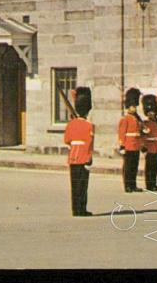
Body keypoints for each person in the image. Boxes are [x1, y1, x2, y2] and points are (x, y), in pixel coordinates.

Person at [63, 86, 94, 216]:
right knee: (82, 185)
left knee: (74, 185)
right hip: (83, 157)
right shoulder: (89, 125)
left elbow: (67, 140)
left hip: (72, 157)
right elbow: (89, 143)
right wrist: (89, 159)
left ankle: (75, 209)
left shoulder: (70, 124)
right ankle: (82, 209)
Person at [118, 87, 143, 193]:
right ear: (128, 107)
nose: (134, 108)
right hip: (128, 145)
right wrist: (122, 145)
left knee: (134, 166)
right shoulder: (125, 118)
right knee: (128, 167)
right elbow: (121, 133)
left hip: (136, 144)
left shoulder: (136, 118)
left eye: (135, 106)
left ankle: (133, 184)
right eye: (132, 106)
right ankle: (127, 185)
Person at [141, 94, 157, 191]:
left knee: (155, 167)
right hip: (149, 147)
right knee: (149, 167)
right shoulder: (145, 123)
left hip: (156, 147)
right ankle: (149, 184)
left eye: (153, 112)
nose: (151, 114)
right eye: (149, 112)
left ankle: (154, 183)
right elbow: (143, 136)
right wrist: (143, 146)